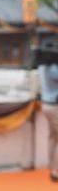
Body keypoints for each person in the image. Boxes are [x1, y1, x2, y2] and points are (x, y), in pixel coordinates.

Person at [36, 41, 58, 181]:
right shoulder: (53, 70)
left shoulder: (42, 67)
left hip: (45, 105)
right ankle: (56, 170)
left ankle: (52, 166)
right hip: (55, 106)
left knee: (52, 137)